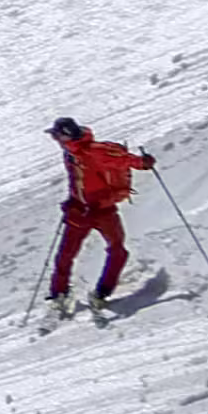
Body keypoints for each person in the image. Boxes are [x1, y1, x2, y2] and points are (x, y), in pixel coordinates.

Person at [45, 116, 145, 304]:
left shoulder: (94, 151)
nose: (55, 140)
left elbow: (124, 160)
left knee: (115, 251)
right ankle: (60, 292)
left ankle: (101, 291)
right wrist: (72, 200)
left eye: (56, 136)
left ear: (66, 136)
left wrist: (142, 163)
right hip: (80, 211)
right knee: (67, 254)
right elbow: (77, 181)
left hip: (102, 210)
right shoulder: (70, 153)